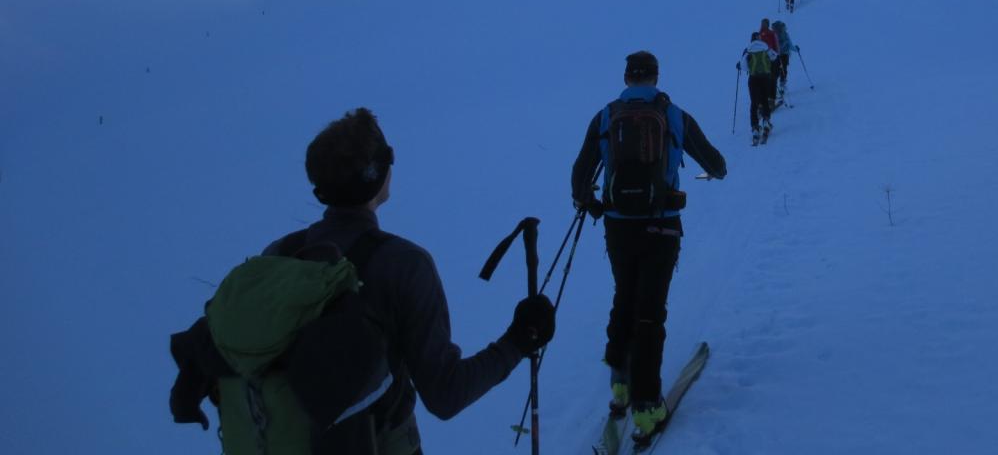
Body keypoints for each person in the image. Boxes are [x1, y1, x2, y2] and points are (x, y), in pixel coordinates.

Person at [170, 108, 555, 454]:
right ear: (379, 175)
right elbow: (446, 394)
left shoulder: (280, 255)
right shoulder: (405, 265)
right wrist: (518, 342)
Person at [570, 51, 726, 445]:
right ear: (655, 76)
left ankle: (621, 386)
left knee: (624, 295)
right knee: (650, 311)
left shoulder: (606, 115)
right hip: (661, 224)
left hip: (617, 226)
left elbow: (580, 175)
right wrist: (716, 170)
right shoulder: (672, 114)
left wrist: (590, 202)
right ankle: (646, 405)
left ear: (626, 77)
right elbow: (713, 160)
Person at [740, 32, 777, 144]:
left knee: (754, 103)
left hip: (753, 78)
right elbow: (774, 57)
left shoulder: (748, 50)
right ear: (760, 39)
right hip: (765, 77)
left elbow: (744, 66)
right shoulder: (765, 47)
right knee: (765, 100)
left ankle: (755, 128)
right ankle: (766, 122)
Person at [772, 20, 795, 94]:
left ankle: (776, 86)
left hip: (776, 55)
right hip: (784, 55)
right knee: (783, 69)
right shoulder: (785, 34)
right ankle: (782, 85)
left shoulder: (774, 34)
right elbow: (790, 45)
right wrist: (795, 49)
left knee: (777, 70)